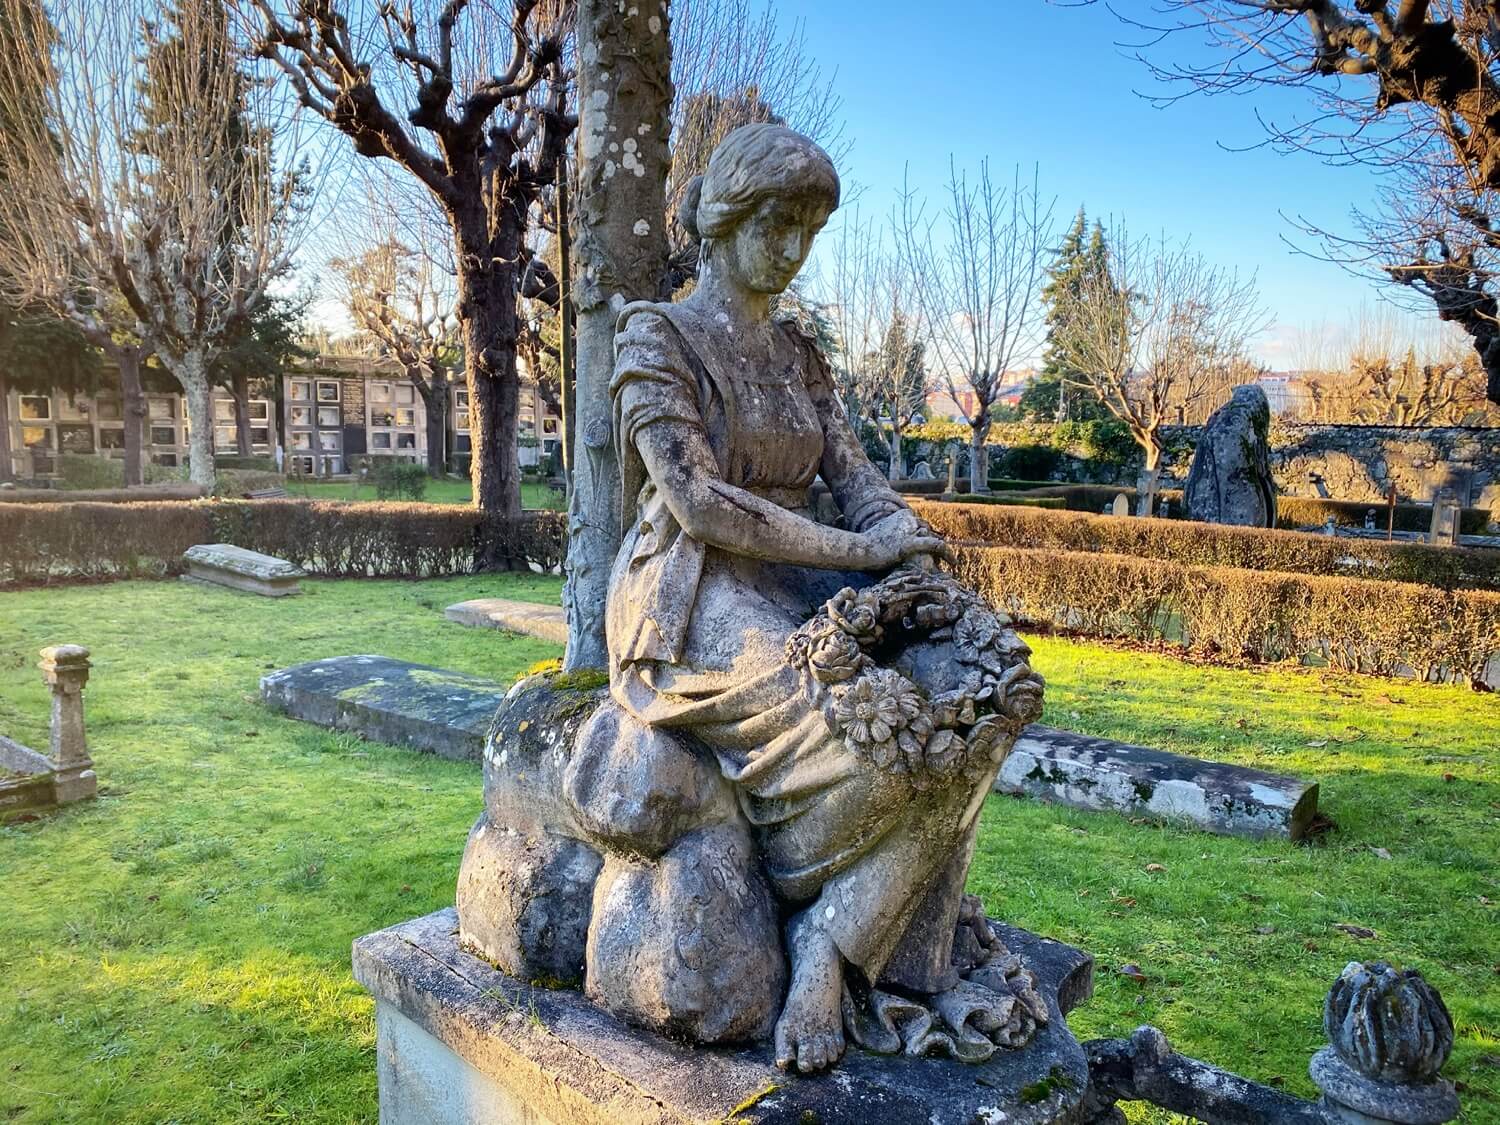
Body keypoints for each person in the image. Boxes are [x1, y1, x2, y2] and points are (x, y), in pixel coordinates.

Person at [605, 124, 1044, 1073]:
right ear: (723, 220)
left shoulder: (801, 354)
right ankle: (813, 919)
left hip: (813, 581)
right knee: (872, 724)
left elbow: (855, 476)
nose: (795, 248)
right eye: (777, 222)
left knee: (978, 705)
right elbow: (698, 500)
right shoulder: (657, 334)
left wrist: (904, 542)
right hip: (694, 591)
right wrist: (859, 550)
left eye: (810, 228)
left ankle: (839, 939)